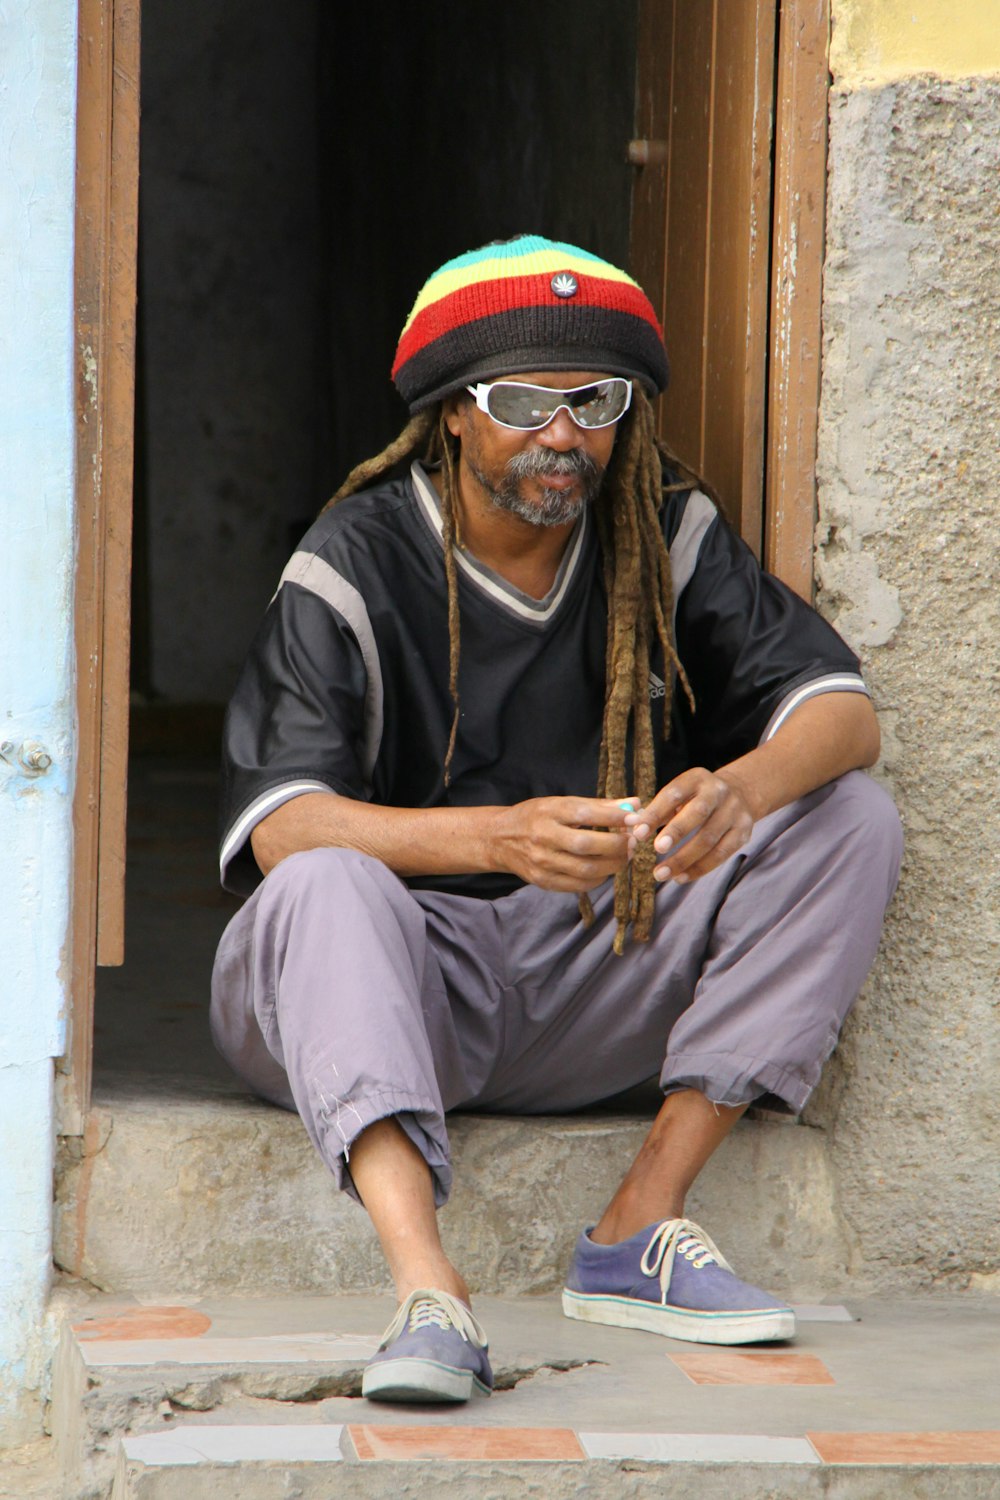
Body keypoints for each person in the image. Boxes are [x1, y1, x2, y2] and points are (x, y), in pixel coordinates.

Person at [210, 234, 902, 1405]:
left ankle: (641, 1225)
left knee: (849, 815)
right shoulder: (352, 559)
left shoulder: (663, 526)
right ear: (451, 417)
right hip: (387, 989)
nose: (564, 433)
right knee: (325, 877)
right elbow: (280, 826)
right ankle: (430, 1296)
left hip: (599, 966)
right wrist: (493, 840)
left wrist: (742, 788)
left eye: (595, 401)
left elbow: (842, 712)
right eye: (523, 401)